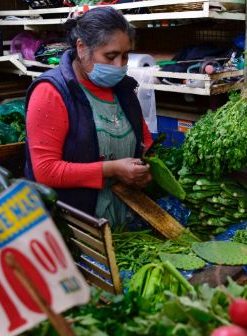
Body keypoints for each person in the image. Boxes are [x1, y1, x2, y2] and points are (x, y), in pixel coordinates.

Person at [24, 7, 153, 225]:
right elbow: (45, 171)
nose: (119, 66)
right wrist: (112, 169)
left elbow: (145, 143)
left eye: (125, 56)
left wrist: (144, 173)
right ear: (82, 47)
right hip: (75, 225)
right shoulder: (52, 92)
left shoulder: (123, 89)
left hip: (124, 219)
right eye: (110, 56)